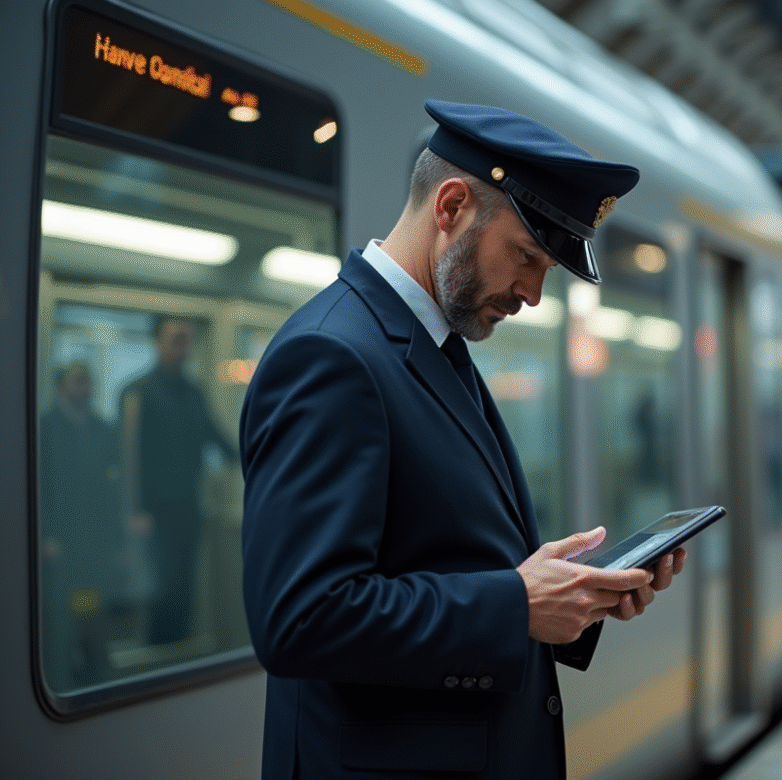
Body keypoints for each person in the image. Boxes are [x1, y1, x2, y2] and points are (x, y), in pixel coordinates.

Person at [240, 100, 686, 779]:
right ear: (450, 207)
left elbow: (445, 560)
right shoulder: (333, 357)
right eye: (527, 256)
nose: (535, 294)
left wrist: (571, 600)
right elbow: (300, 618)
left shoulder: (432, 350)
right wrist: (516, 604)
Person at [120, 317, 235, 645]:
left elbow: (216, 436)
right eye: (175, 339)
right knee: (159, 590)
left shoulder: (193, 392)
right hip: (152, 513)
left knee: (185, 586)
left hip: (188, 505)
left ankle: (178, 655)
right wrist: (135, 511)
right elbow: (129, 459)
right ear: (156, 342)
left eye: (186, 340)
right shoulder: (138, 392)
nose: (182, 347)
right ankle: (157, 660)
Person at [39, 361, 125, 689]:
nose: (85, 389)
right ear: (61, 386)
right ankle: (61, 680)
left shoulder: (102, 429)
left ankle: (96, 682)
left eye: (88, 382)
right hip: (60, 545)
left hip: (94, 544)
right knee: (61, 620)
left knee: (93, 614)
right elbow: (38, 488)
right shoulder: (44, 428)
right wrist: (46, 535)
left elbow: (111, 490)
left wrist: (118, 542)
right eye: (78, 382)